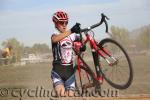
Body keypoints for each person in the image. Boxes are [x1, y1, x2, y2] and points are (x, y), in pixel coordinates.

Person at [50, 11, 81, 97]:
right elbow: (55, 40)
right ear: (56, 24)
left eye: (66, 22)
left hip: (70, 73)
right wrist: (71, 30)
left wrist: (82, 45)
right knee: (61, 94)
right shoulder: (55, 35)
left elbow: (82, 40)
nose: (64, 24)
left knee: (70, 97)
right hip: (58, 72)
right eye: (61, 22)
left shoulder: (73, 36)